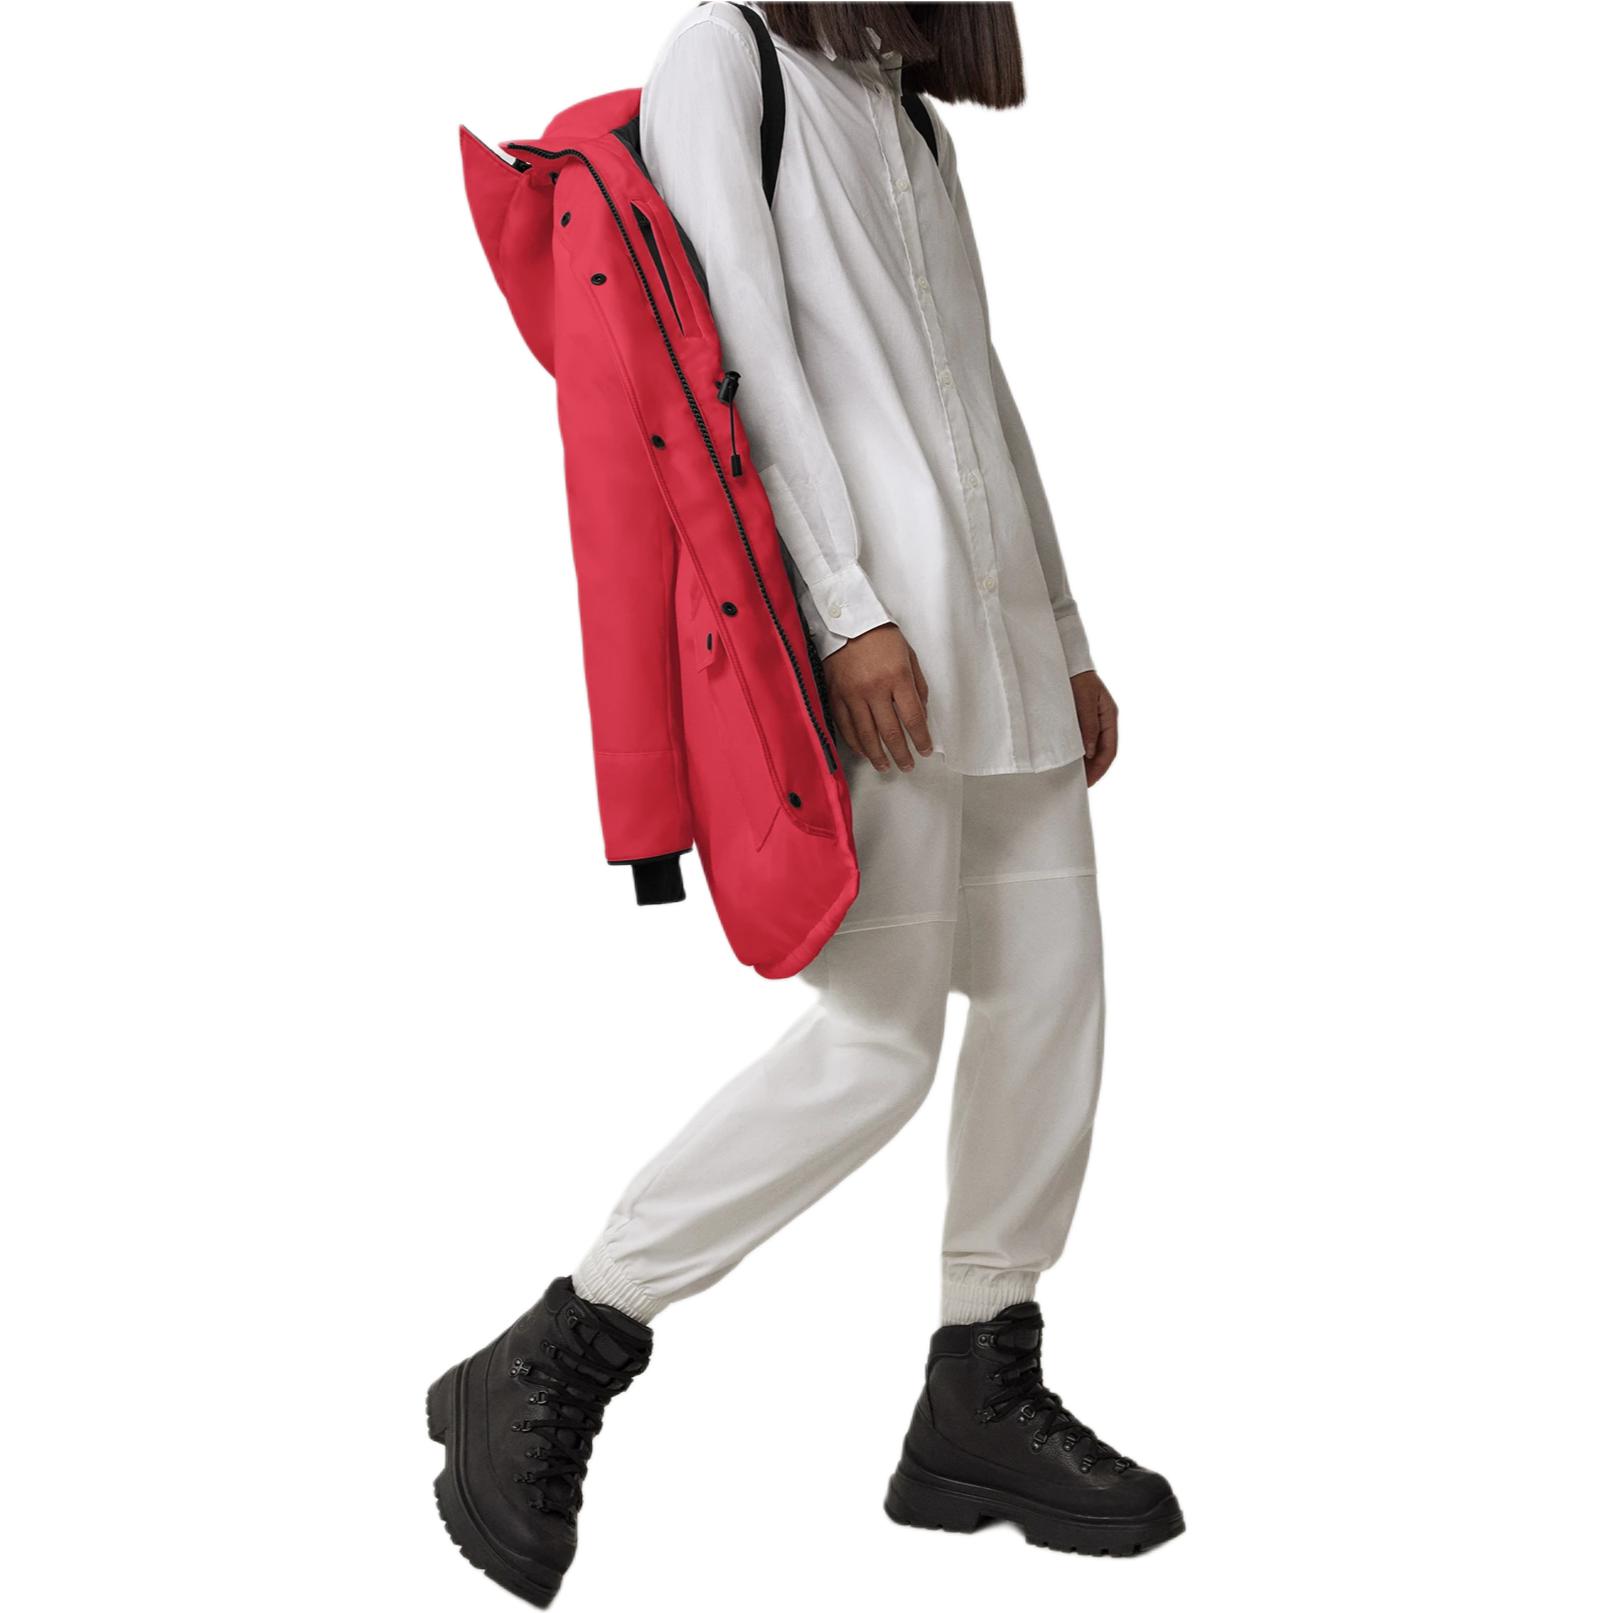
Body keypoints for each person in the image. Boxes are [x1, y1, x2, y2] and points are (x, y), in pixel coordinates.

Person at [430, 6, 1180, 1603]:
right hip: (880, 636)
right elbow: (740, 361)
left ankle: (980, 1380)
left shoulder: (907, 114)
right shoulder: (729, 56)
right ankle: (568, 1335)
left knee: (1052, 1000)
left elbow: (980, 391)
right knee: (876, 1046)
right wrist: (843, 612)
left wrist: (1062, 633)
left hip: (992, 626)